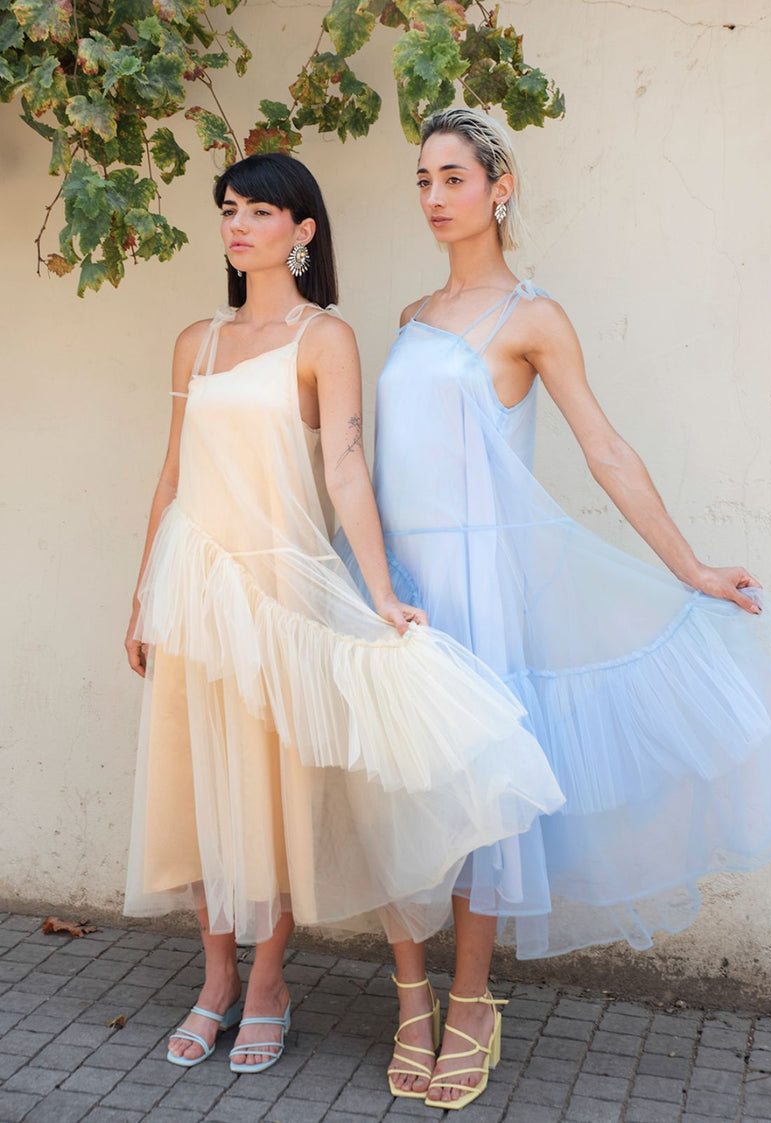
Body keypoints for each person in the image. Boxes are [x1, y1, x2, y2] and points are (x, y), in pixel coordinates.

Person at [336, 107, 771, 1109]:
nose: (434, 196)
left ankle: (470, 1002)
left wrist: (690, 566)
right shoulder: (408, 316)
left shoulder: (533, 318)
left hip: (483, 591)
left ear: (499, 188)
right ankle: (408, 999)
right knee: (393, 791)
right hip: (396, 585)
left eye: (453, 178)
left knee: (482, 799)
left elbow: (604, 449)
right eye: (423, 180)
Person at [122, 152, 563, 1076]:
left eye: (259, 211)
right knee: (197, 792)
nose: (238, 225)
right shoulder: (195, 341)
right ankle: (215, 978)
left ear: (303, 229)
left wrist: (380, 587)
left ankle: (269, 984)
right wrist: (142, 595)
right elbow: (168, 474)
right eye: (228, 209)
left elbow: (347, 468)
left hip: (280, 595)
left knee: (273, 795)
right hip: (191, 589)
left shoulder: (326, 336)